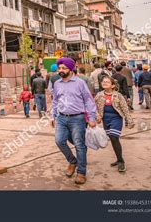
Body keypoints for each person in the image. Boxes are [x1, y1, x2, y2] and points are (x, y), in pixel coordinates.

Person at [50, 57, 97, 185]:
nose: (61, 70)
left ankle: (81, 172)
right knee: (59, 141)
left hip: (78, 118)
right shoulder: (57, 83)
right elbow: (55, 101)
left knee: (79, 145)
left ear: (71, 69)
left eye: (64, 68)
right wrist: (52, 115)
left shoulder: (80, 83)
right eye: (59, 68)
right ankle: (72, 161)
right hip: (61, 118)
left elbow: (88, 100)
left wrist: (92, 117)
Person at [95, 76, 134, 172]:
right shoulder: (99, 95)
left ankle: (121, 162)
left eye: (107, 82)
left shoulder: (118, 95)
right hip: (105, 120)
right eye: (103, 82)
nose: (104, 83)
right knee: (112, 139)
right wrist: (97, 116)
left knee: (114, 137)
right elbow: (92, 106)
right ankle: (119, 158)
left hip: (116, 119)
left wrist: (129, 120)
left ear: (112, 85)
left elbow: (125, 108)